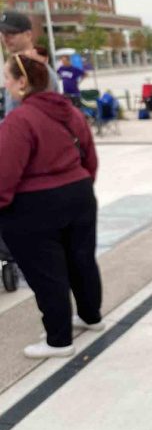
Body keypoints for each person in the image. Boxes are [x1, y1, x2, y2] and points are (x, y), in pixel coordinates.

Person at [0, 54, 103, 359]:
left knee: (47, 273)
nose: (5, 85)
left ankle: (59, 340)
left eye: (7, 78)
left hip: (36, 205)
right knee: (82, 260)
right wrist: (80, 185)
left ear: (22, 83)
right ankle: (90, 316)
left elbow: (5, 172)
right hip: (79, 194)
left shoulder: (19, 120)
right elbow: (90, 157)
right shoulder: (70, 112)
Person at [0, 10, 60, 116]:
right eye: (3, 34)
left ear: (28, 35)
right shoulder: (16, 67)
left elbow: (43, 120)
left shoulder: (39, 72)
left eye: (11, 34)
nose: (5, 39)